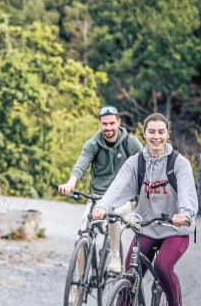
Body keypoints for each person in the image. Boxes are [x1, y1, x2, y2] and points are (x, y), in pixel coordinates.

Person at [92, 113, 197, 306]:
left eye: (161, 132)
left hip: (175, 229)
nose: (156, 137)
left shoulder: (179, 163)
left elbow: (188, 193)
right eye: (151, 132)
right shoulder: (136, 162)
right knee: (128, 277)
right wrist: (102, 206)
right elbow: (117, 187)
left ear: (168, 134)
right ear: (144, 133)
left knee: (162, 266)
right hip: (147, 227)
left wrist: (185, 214)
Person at [58, 105, 143, 272]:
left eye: (112, 123)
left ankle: (114, 255)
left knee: (115, 215)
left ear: (118, 122)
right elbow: (80, 165)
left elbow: (145, 166)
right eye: (105, 124)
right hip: (98, 197)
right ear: (99, 124)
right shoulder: (93, 144)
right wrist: (70, 183)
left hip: (123, 199)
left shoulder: (130, 143)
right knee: (83, 232)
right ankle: (78, 281)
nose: (109, 128)